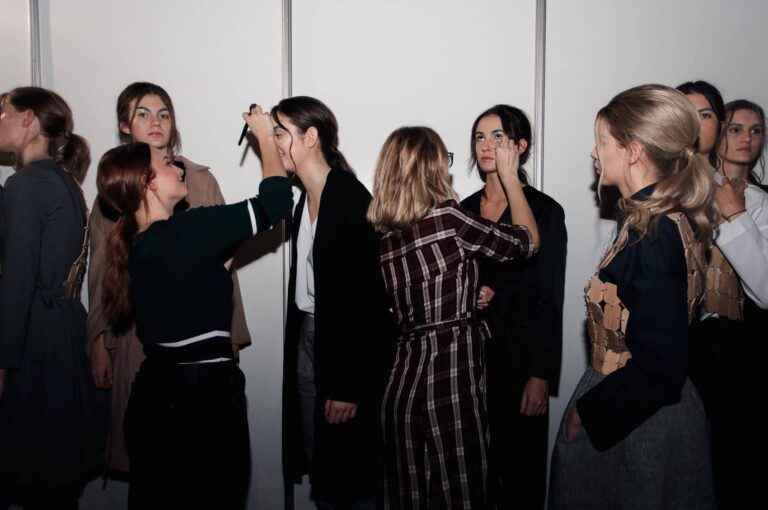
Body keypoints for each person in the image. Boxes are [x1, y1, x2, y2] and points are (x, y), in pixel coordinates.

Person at [96, 105, 291, 509]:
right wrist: (265, 139)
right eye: (167, 165)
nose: (178, 168)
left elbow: (194, 286)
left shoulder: (139, 244)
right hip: (204, 401)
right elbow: (276, 203)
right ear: (148, 182)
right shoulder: (188, 229)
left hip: (156, 394)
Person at [548, 84, 718, 509]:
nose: (594, 153)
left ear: (633, 151)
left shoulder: (653, 234)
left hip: (640, 423)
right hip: (641, 411)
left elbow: (660, 368)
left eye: (603, 141)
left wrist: (586, 412)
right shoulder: (654, 220)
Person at [368, 126, 540, 509]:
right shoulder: (447, 218)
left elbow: (424, 301)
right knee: (463, 495)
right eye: (443, 160)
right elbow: (526, 241)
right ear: (431, 168)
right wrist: (510, 177)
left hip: (401, 386)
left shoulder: (387, 240)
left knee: (410, 498)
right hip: (450, 379)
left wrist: (466, 297)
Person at [86, 82, 252, 476]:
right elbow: (101, 270)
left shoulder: (199, 180)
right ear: (124, 125)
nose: (155, 122)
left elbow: (227, 263)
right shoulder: (115, 187)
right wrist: (97, 340)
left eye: (163, 114)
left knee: (205, 462)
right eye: (143, 114)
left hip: (200, 337)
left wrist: (230, 332)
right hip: (137, 330)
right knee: (152, 454)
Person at [277, 96, 394, 509]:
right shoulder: (303, 201)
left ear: (310, 137)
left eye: (280, 133)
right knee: (320, 458)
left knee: (349, 469)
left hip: (344, 352)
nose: (274, 143)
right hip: (311, 339)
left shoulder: (348, 198)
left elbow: (368, 304)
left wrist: (347, 386)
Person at [0, 86, 108, 509]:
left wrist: (3, 363)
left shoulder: (25, 185)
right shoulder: (65, 182)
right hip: (63, 334)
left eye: (2, 112)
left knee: (34, 471)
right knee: (55, 476)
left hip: (33, 342)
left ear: (28, 119)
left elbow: (17, 283)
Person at [461, 105, 566, 510]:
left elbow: (549, 295)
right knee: (474, 479)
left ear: (520, 146)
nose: (486, 145)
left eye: (497, 137)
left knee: (521, 480)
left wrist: (541, 375)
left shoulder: (544, 211)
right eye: (480, 137)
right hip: (470, 364)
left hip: (521, 361)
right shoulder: (463, 209)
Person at [687, 97, 768, 508]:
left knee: (739, 459)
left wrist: (737, 215)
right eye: (736, 128)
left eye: (755, 131)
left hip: (746, 347)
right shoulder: (691, 191)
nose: (746, 138)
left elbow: (764, 288)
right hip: (692, 342)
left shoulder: (762, 200)